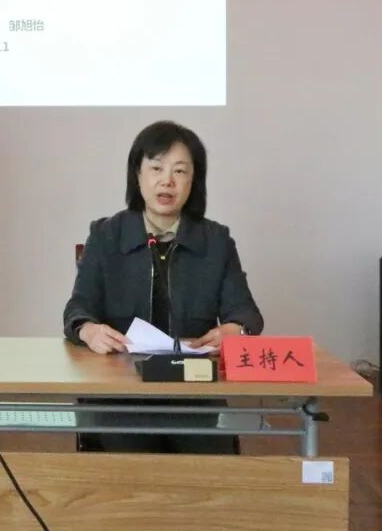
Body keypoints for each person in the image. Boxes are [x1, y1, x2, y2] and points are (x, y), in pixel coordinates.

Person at [63, 120, 263, 453]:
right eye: (156, 168)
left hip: (193, 391)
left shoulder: (216, 241)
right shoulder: (106, 235)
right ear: (138, 175)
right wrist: (88, 330)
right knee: (127, 454)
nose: (167, 180)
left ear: (193, 180)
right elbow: (78, 308)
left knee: (209, 459)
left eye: (180, 171)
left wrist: (235, 330)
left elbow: (245, 313)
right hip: (120, 390)